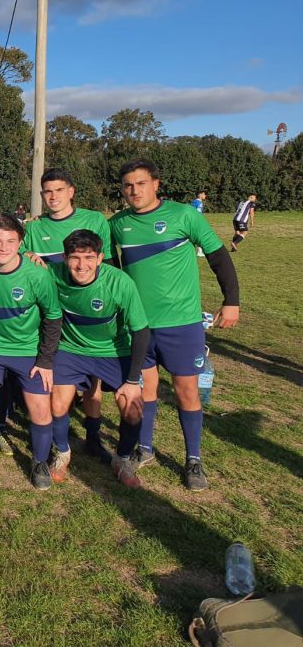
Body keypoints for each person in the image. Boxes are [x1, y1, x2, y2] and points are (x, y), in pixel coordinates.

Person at [110, 159, 240, 491]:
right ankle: (146, 448)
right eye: (127, 185)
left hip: (181, 324)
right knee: (146, 390)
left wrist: (231, 301)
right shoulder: (118, 224)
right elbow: (108, 269)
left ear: (156, 183)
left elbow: (218, 256)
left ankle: (193, 459)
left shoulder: (185, 215)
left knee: (186, 392)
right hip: (139, 326)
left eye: (140, 183)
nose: (134, 190)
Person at [0, 212, 63, 489]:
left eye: (11, 241)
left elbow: (53, 317)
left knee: (40, 410)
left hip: (27, 350)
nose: (3, 247)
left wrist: (45, 360)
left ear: (20, 244)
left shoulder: (37, 275)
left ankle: (39, 460)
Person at [21, 168, 116, 463]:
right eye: (47, 191)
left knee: (93, 383)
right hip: (50, 317)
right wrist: (28, 257)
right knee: (55, 382)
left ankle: (93, 437)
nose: (53, 197)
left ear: (71, 191)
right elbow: (21, 262)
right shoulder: (34, 228)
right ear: (41, 195)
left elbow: (110, 266)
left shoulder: (95, 220)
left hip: (87, 315)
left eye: (59, 190)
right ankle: (54, 440)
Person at [49, 230, 150, 488]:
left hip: (114, 350)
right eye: (74, 258)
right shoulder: (53, 274)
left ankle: (123, 458)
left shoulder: (119, 282)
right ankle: (62, 452)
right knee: (58, 402)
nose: (81, 265)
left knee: (132, 406)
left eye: (89, 257)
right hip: (72, 348)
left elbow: (140, 331)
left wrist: (132, 379)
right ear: (64, 257)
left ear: (100, 258)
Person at [191, 192, 207, 256]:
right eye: (204, 194)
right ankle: (199, 252)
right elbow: (197, 213)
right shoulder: (199, 203)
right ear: (200, 194)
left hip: (193, 221)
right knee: (200, 236)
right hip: (196, 221)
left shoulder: (194, 201)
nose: (205, 195)